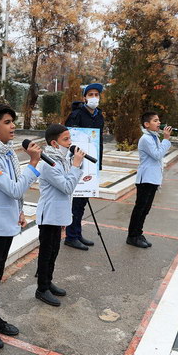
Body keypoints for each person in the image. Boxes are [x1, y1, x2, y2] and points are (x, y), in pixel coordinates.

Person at [0, 103, 42, 349]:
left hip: (6, 222)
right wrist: (33, 163)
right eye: (7, 122)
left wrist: (19, 211)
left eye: (13, 122)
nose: (13, 126)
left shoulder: (7, 153)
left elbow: (13, 191)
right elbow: (14, 188)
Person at [35, 124, 85, 307]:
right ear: (54, 143)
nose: (70, 143)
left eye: (70, 138)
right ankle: (42, 288)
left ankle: (48, 282)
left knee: (54, 251)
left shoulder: (62, 159)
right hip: (49, 215)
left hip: (58, 214)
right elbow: (67, 187)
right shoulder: (48, 163)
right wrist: (76, 165)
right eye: (66, 139)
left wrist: (75, 164)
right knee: (46, 253)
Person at [63, 83, 105, 251]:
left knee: (83, 201)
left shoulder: (99, 116)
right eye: (91, 94)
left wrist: (98, 163)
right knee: (76, 201)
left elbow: (99, 140)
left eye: (97, 94)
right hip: (78, 162)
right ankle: (71, 236)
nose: (94, 97)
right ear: (85, 97)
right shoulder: (76, 115)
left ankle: (77, 233)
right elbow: (69, 138)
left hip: (92, 163)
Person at [127, 112, 172, 248]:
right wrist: (166, 139)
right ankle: (132, 236)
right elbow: (157, 155)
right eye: (155, 120)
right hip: (145, 179)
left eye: (159, 120)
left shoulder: (154, 137)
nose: (159, 123)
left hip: (153, 178)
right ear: (147, 124)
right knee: (140, 208)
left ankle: (138, 233)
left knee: (145, 209)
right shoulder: (146, 139)